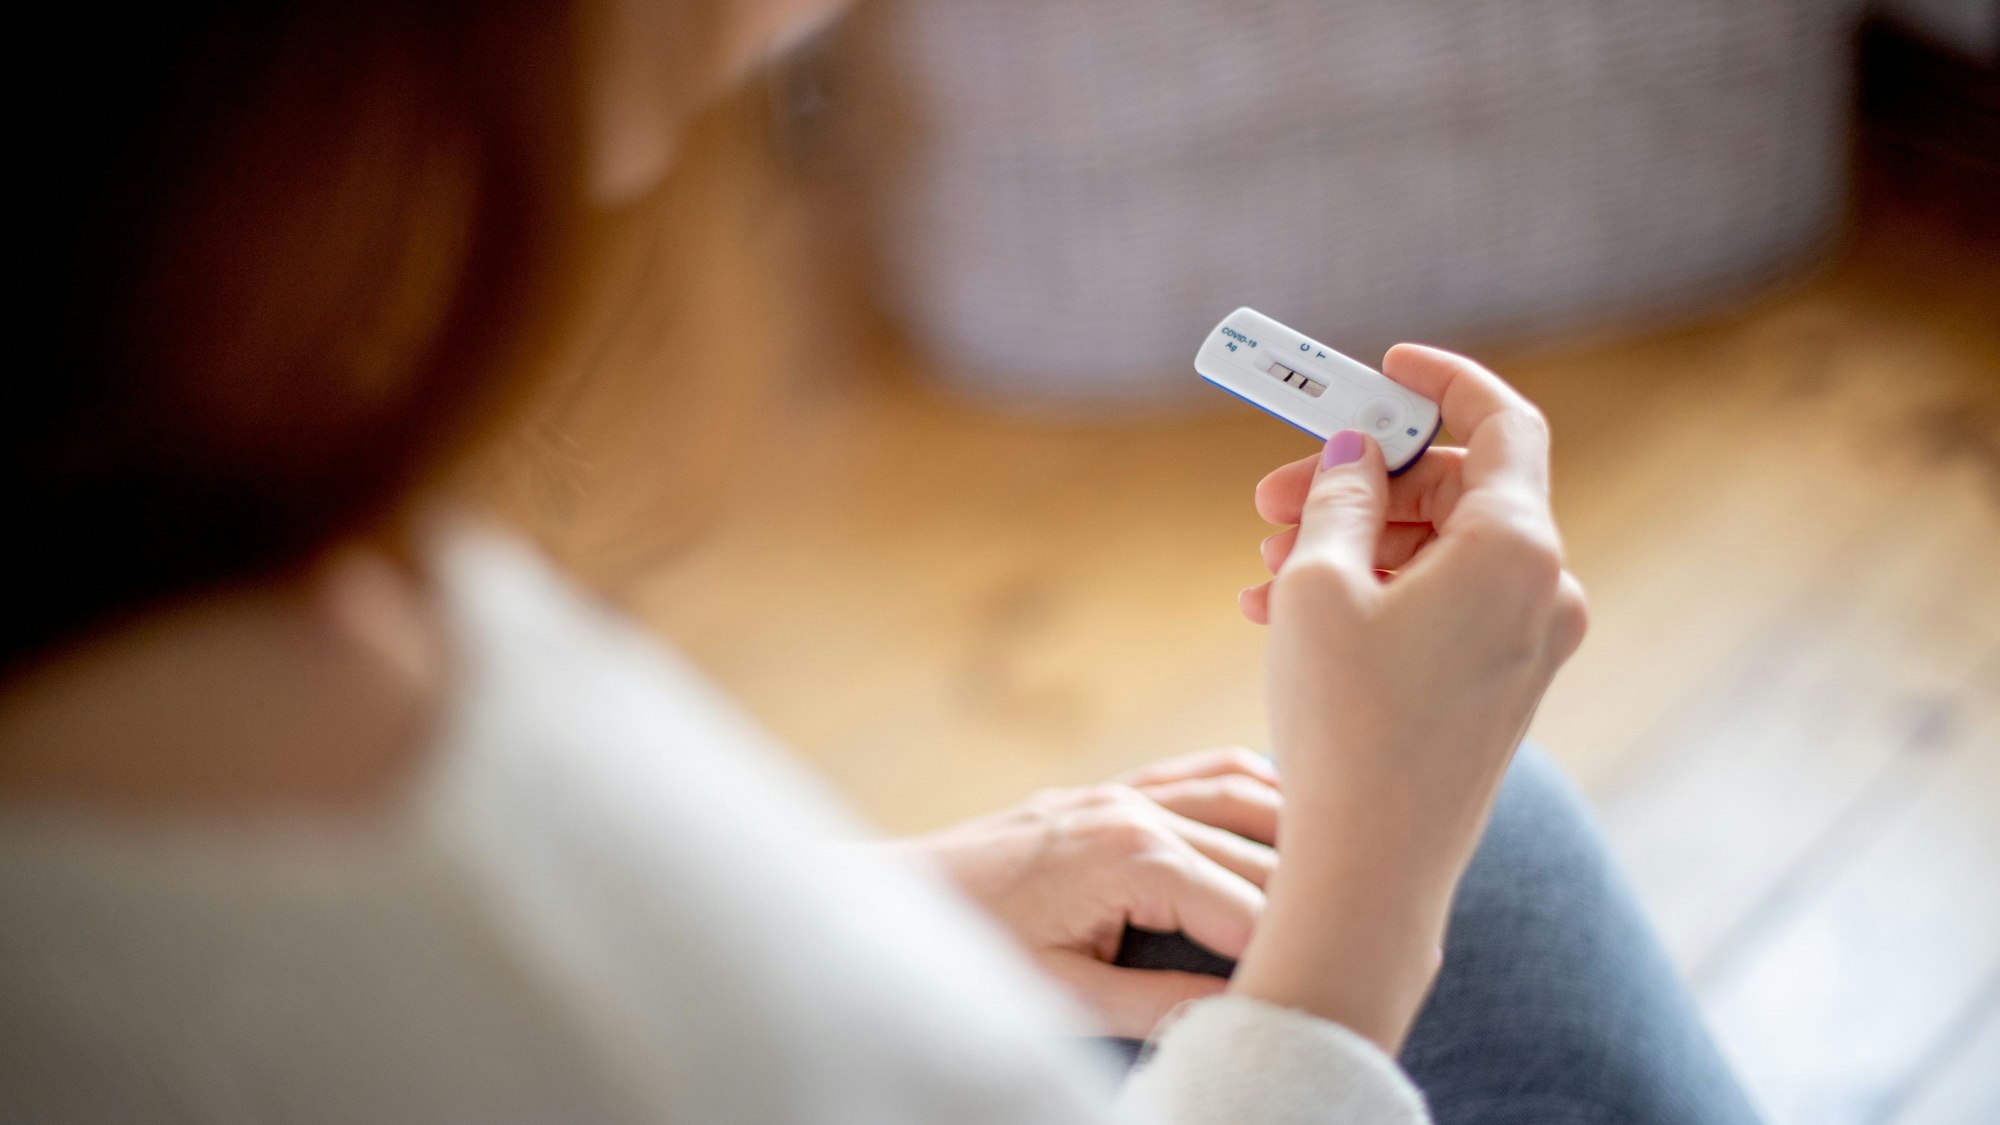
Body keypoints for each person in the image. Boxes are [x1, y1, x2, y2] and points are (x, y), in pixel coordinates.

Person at [0, 1, 1759, 1122]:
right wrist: (1349, 957)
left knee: (1447, 855)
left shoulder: (166, 472)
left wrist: (901, 895)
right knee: (1463, 861)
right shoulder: (530, 972)